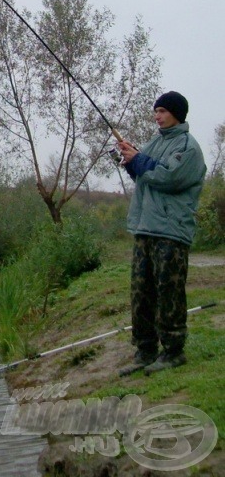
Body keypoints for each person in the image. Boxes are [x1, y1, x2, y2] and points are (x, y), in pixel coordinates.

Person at [117, 91, 206, 377]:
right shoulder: (154, 142)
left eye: (163, 111)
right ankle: (145, 350)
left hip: (171, 231)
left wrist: (140, 161)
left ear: (177, 113)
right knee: (141, 292)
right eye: (156, 111)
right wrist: (132, 161)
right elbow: (146, 177)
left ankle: (173, 352)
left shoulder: (188, 147)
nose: (157, 116)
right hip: (145, 227)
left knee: (169, 291)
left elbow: (170, 178)